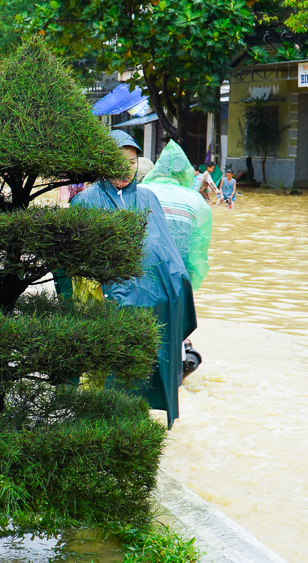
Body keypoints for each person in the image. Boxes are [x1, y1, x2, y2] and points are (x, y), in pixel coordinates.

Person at [58, 130, 197, 428]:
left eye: (133, 162)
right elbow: (72, 263)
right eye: (119, 161)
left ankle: (132, 423)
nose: (126, 168)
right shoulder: (86, 201)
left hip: (149, 306)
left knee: (139, 377)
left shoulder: (148, 198)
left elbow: (165, 251)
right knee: (100, 375)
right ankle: (92, 423)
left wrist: (177, 286)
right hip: (104, 308)